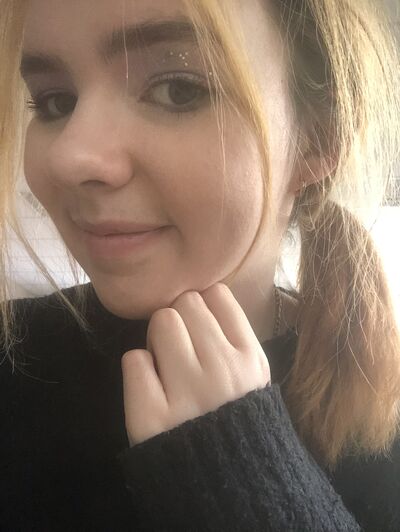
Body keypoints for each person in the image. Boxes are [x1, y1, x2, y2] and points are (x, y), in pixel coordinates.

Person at [1, 0, 400, 530]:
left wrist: (237, 471)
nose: (69, 158)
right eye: (55, 102)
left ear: (317, 141)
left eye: (178, 89)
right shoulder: (14, 363)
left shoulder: (382, 413)